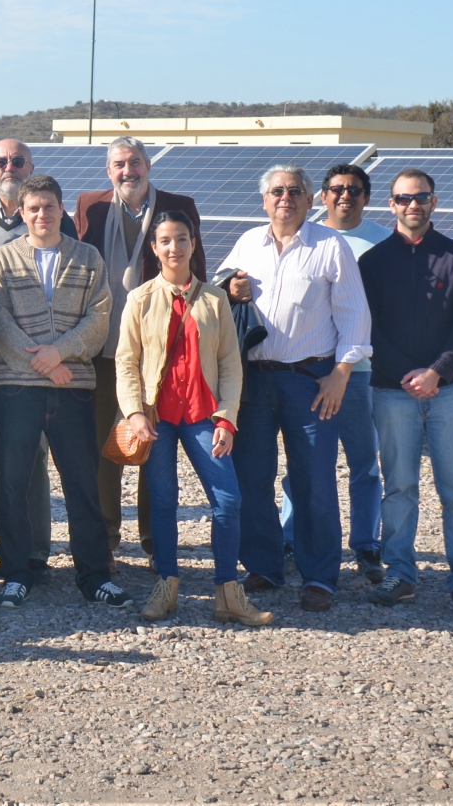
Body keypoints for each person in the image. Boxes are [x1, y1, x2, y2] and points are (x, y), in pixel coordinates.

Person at [220, 164, 371, 612]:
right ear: (265, 200)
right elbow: (219, 294)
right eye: (277, 191)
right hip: (254, 381)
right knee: (252, 477)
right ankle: (264, 565)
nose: (285, 197)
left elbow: (353, 315)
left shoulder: (331, 246)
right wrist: (232, 286)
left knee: (314, 482)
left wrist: (341, 374)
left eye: (295, 191)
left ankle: (320, 576)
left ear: (310, 200)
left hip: (312, 381)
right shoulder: (248, 242)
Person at [114, 210, 270, 626]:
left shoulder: (216, 299)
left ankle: (227, 592)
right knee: (163, 502)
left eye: (181, 239)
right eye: (165, 240)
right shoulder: (140, 298)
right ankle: (166, 586)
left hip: (204, 413)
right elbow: (126, 362)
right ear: (155, 248)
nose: (174, 248)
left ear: (194, 243)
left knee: (228, 500)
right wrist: (133, 412)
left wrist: (227, 418)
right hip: (156, 416)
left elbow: (231, 365)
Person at [0, 175, 128, 610]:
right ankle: (15, 573)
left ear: (61, 210)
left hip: (74, 387)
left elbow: (99, 317)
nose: (41, 214)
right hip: (17, 389)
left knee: (82, 482)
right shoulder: (2, 259)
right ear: (23, 213)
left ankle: (93, 574)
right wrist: (41, 362)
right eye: (33, 208)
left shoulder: (88, 257)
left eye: (49, 207)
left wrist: (60, 355)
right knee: (12, 484)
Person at [360, 169, 453, 616]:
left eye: (421, 198)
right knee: (398, 487)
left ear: (434, 203)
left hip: (448, 390)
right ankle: (400, 573)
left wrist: (436, 372)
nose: (412, 205)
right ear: (391, 205)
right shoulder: (373, 262)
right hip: (392, 391)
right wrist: (406, 375)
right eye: (403, 198)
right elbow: (367, 326)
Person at [74, 135, 205, 570]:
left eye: (134, 162)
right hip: (100, 349)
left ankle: (153, 541)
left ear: (149, 166)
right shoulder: (90, 207)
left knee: (154, 445)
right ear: (108, 171)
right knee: (102, 447)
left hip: (158, 354)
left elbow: (196, 277)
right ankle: (107, 540)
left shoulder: (179, 204)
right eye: (118, 164)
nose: (127, 171)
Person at [0, 140, 74, 584]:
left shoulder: (59, 221)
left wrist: (48, 353)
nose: (10, 167)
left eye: (18, 160)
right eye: (0, 162)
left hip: (32, 361)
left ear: (32, 166)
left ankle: (32, 553)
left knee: (29, 458)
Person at [280, 164, 390, 582]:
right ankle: (292, 536)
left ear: (367, 196)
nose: (346, 196)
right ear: (321, 196)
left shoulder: (383, 241)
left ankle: (366, 543)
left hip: (360, 373)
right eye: (338, 189)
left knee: (363, 462)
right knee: (303, 463)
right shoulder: (304, 236)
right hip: (312, 373)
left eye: (355, 190)